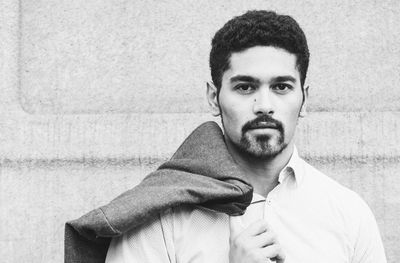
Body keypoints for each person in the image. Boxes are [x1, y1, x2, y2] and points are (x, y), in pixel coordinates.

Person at [103, 10, 387, 262]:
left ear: (305, 99)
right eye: (245, 87)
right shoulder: (159, 217)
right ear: (214, 97)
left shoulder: (349, 214)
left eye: (281, 87)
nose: (264, 105)